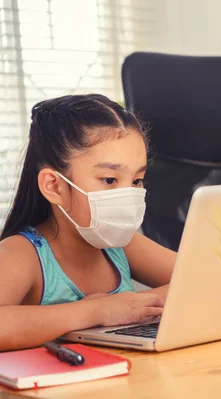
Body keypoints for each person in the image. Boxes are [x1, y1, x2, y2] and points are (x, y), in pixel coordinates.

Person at [0, 94, 176, 351]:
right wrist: (94, 311)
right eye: (109, 180)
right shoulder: (22, 253)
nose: (127, 193)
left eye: (137, 180)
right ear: (54, 186)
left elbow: (210, 278)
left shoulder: (119, 245)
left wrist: (132, 305)